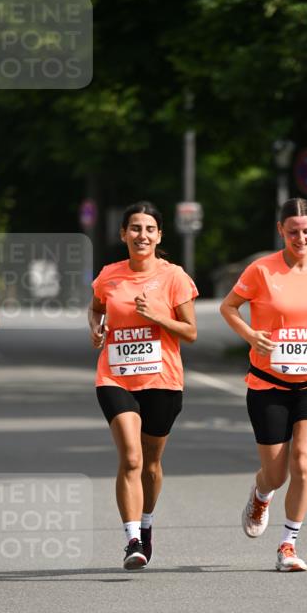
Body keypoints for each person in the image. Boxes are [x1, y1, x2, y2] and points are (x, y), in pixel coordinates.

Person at [219, 197, 307, 572]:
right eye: (293, 231)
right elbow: (228, 307)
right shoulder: (262, 271)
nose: (300, 237)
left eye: (306, 231)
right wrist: (251, 336)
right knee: (276, 474)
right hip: (268, 384)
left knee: (304, 464)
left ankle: (288, 545)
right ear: (281, 231)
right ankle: (262, 494)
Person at [88, 201, 198, 570]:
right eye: (134, 228)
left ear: (159, 235)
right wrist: (96, 326)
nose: (142, 235)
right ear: (123, 234)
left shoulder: (174, 277)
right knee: (131, 457)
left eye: (149, 229)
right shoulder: (109, 275)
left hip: (162, 380)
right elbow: (96, 307)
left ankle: (147, 524)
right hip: (115, 376)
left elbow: (191, 332)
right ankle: (132, 538)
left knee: (151, 463)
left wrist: (159, 316)